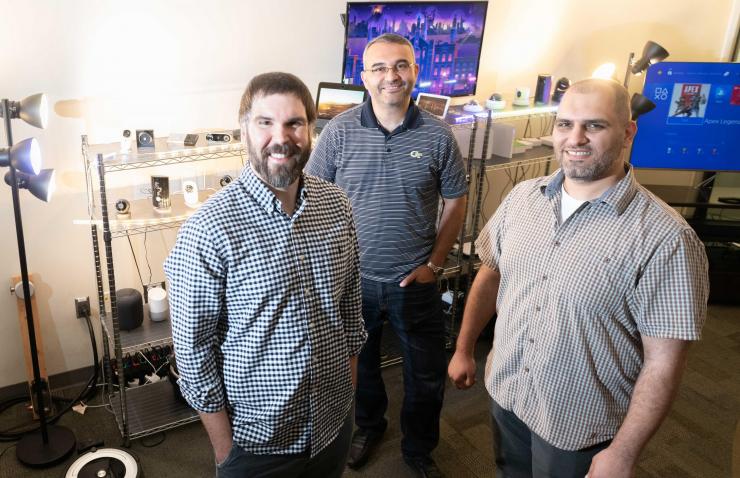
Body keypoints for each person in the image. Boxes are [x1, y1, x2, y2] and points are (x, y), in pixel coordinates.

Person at [448, 78, 709, 478]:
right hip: (509, 392)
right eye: (565, 124)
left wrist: (624, 453)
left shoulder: (666, 238)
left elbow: (665, 360)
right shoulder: (523, 198)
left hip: (578, 425)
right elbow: (491, 273)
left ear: (627, 133)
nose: (576, 138)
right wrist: (464, 347)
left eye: (595, 125)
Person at [164, 72, 367, 478]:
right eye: (265, 123)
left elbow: (349, 311)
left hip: (333, 424)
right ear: (244, 131)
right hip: (257, 446)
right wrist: (226, 451)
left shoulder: (336, 205)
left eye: (294, 123)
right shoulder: (208, 229)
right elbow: (192, 352)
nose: (282, 137)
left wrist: (347, 398)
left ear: (311, 130)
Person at [307, 33, 467, 477]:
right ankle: (369, 427)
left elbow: (455, 202)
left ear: (415, 71)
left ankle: (418, 450)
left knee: (425, 375)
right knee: (360, 368)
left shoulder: (439, 136)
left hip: (412, 283)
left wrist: (433, 265)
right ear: (363, 77)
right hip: (351, 279)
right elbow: (313, 197)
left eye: (400, 65)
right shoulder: (338, 132)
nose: (390, 76)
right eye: (378, 68)